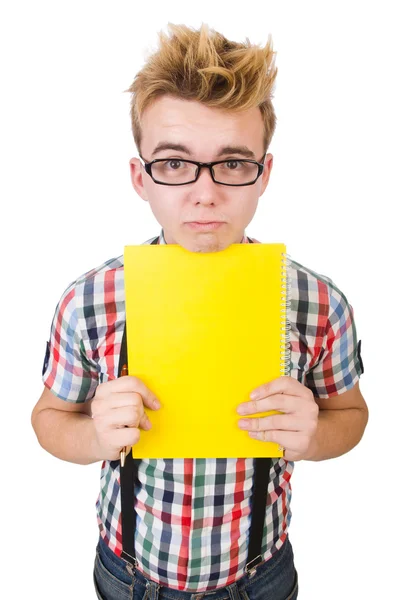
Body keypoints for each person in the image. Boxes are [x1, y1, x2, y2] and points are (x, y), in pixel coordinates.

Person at [31, 22, 368, 600]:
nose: (205, 193)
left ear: (265, 173)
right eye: (175, 163)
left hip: (260, 574)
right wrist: (93, 439)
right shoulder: (88, 299)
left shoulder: (320, 302)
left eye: (233, 163)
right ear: (141, 177)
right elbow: (48, 418)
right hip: (128, 574)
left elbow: (352, 414)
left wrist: (313, 435)